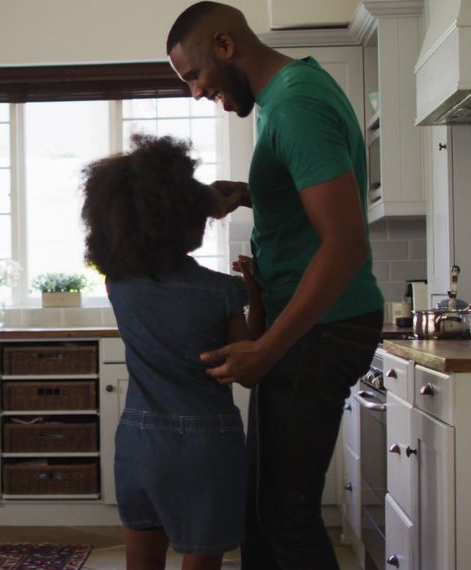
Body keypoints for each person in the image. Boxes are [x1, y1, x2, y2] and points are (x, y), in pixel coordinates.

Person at [166, 3, 386, 569]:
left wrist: (267, 347)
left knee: (286, 514)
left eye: (192, 75)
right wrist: (247, 192)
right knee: (264, 510)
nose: (193, 92)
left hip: (320, 327)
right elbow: (309, 192)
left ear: (224, 45)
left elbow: (344, 245)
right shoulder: (285, 96)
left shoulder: (294, 106)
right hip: (312, 325)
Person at [81, 133, 262, 570]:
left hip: (138, 443)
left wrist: (197, 199)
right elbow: (249, 368)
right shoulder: (222, 292)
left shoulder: (119, 287)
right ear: (187, 217)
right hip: (205, 446)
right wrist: (255, 290)